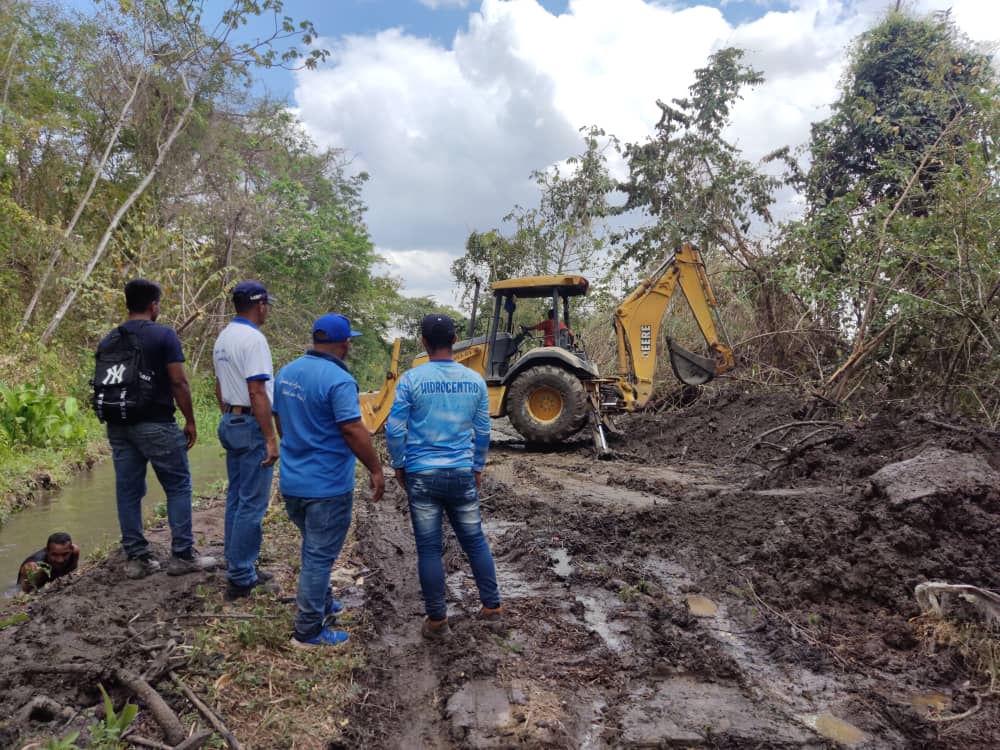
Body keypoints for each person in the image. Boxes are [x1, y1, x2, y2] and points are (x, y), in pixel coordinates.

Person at [385, 313, 502, 639]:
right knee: (475, 541)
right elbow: (483, 431)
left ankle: (437, 621)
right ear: (454, 341)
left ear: (423, 341)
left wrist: (399, 465)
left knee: (428, 549)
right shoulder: (475, 380)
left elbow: (394, 429)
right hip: (461, 473)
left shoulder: (411, 379)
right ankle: (492, 610)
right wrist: (476, 467)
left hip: (422, 475)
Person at [273, 313, 386, 648]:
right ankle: (307, 631)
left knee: (314, 548)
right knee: (318, 557)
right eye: (350, 339)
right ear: (344, 342)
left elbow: (280, 422)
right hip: (326, 487)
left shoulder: (287, 373)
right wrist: (375, 468)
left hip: (293, 482)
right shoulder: (338, 380)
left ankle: (323, 605)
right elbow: (352, 429)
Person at [98, 279, 215, 579]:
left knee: (128, 491)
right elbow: (178, 381)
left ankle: (137, 560)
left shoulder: (109, 339)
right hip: (156, 423)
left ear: (127, 304)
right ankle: (182, 555)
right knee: (177, 485)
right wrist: (190, 420)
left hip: (118, 425)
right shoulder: (163, 334)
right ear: (153, 305)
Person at [213, 280, 280, 600]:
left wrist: (232, 415)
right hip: (250, 424)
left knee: (237, 498)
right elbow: (257, 391)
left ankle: (240, 562)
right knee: (252, 503)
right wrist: (270, 437)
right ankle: (241, 575)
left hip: (231, 418)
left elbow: (218, 385)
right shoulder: (253, 340)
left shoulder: (224, 337)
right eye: (267, 305)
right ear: (260, 305)